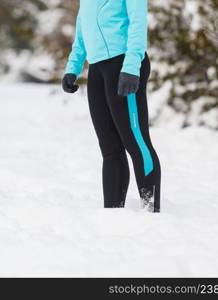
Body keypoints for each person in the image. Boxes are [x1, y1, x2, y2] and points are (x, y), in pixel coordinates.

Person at [62, 0, 161, 212]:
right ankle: (113, 215)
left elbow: (138, 21)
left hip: (124, 63)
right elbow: (83, 25)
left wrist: (132, 65)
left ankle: (151, 210)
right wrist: (74, 66)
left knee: (136, 142)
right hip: (97, 68)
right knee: (109, 148)